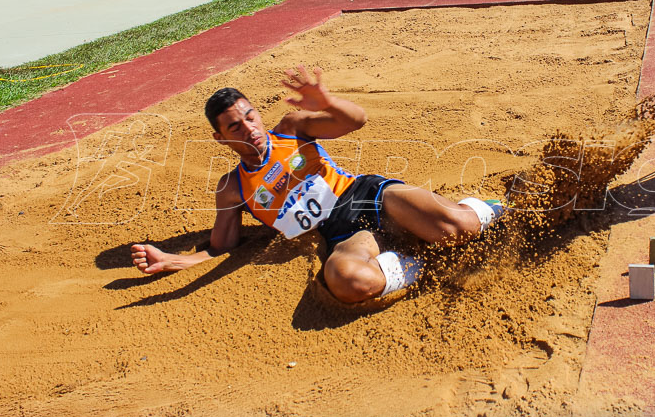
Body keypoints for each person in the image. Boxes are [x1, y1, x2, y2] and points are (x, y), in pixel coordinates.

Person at [131, 66, 506, 304]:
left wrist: (327, 102)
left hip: (365, 197)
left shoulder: (292, 128)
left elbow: (355, 121)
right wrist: (175, 260)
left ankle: (508, 205)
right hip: (337, 235)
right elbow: (221, 248)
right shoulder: (233, 188)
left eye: (250, 116)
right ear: (221, 140)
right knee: (347, 282)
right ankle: (419, 259)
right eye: (235, 127)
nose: (249, 128)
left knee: (458, 229)